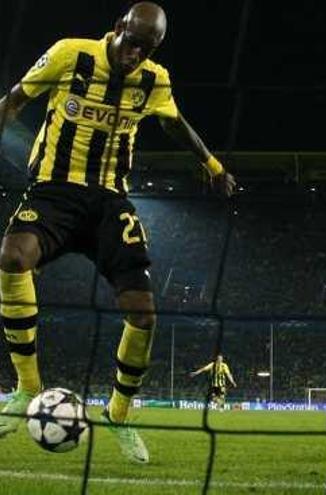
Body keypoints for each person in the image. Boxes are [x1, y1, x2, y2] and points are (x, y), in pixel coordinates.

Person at [0, 2, 235, 464]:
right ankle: (27, 388)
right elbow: (15, 101)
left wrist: (212, 165)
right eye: (131, 44)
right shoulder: (70, 54)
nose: (135, 56)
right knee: (10, 257)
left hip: (109, 202)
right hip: (54, 192)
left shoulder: (154, 79)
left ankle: (120, 414)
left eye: (145, 50)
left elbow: (174, 122)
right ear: (117, 29)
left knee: (143, 313)